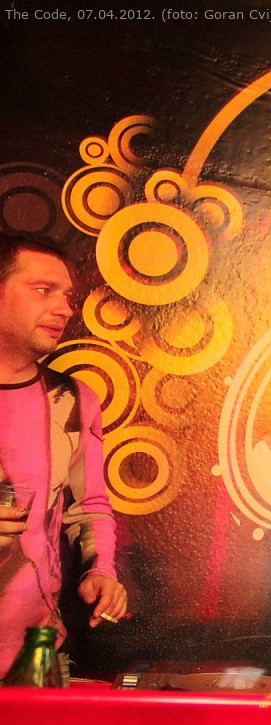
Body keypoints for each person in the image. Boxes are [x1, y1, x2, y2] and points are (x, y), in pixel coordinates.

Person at [0, 232, 128, 675]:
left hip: (35, 658)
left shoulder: (73, 398)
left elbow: (88, 505)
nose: (65, 309)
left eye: (66, 295)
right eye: (43, 290)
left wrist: (100, 571)